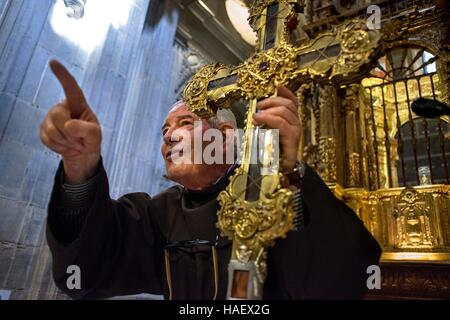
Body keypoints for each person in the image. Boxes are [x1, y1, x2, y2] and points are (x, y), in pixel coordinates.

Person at [40, 60, 381, 300]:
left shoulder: (278, 192)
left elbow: (342, 283)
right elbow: (84, 275)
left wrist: (289, 174)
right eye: (165, 131)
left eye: (185, 124)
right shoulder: (159, 215)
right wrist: (80, 168)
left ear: (227, 135)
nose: (169, 137)